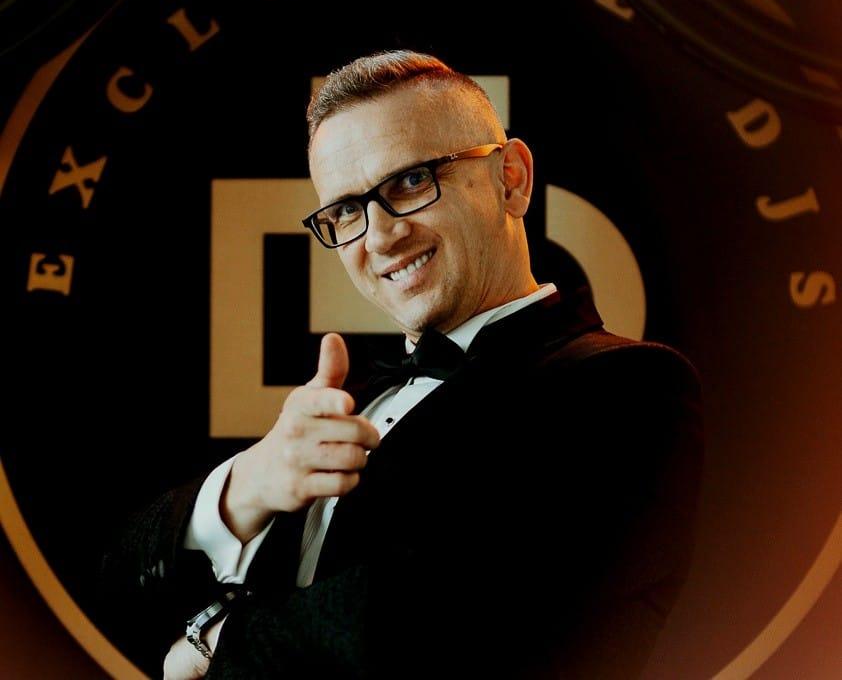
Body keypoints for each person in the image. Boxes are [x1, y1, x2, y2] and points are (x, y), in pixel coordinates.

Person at [98, 50, 704, 679]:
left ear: (511, 179)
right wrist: (249, 482)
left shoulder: (629, 386)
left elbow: (435, 623)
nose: (380, 236)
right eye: (346, 210)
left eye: (412, 181)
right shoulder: (349, 404)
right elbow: (116, 589)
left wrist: (210, 645)